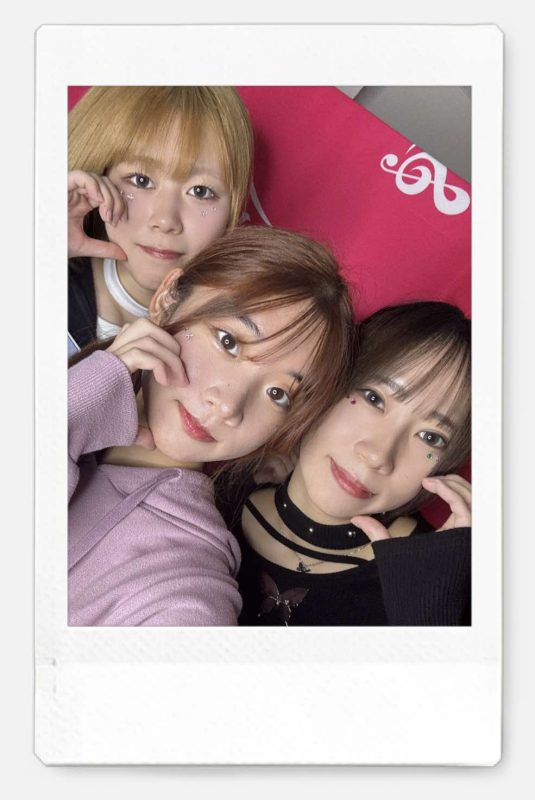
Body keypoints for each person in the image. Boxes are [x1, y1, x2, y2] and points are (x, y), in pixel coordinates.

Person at [68, 226, 356, 626]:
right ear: (168, 299)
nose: (228, 405)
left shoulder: (185, 575)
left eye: (278, 394)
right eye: (228, 341)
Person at [237, 301, 471, 626]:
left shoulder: (450, 585)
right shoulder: (212, 497)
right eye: (374, 398)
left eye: (431, 437)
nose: (379, 455)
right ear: (329, 380)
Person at [67, 86, 253, 355]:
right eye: (141, 180)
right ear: (98, 174)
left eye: (200, 191)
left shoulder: (229, 339)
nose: (166, 220)